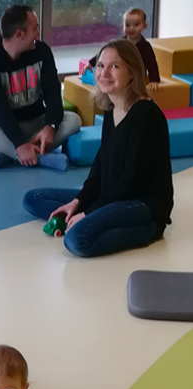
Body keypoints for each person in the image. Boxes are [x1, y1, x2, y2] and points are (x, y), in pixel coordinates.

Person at [23, 39, 173, 258]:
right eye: (101, 65)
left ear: (132, 72)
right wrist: (79, 202)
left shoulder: (145, 115)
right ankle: (91, 218)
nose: (104, 73)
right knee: (33, 199)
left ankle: (148, 229)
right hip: (112, 195)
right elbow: (101, 166)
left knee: (77, 239)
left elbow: (131, 181)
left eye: (115, 66)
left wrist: (88, 212)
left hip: (141, 203)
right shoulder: (112, 110)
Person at [0, 4, 81, 171]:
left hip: (35, 122)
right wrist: (19, 142)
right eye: (34, 29)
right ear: (20, 34)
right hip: (3, 127)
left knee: (73, 119)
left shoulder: (42, 52)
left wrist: (50, 127)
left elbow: (53, 92)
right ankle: (36, 156)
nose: (37, 34)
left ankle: (11, 154)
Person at [84, 8, 160, 91]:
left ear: (144, 26)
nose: (131, 28)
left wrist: (154, 80)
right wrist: (91, 63)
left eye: (136, 25)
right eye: (128, 25)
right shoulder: (120, 44)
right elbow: (105, 54)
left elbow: (152, 64)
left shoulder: (145, 46)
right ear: (122, 27)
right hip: (120, 75)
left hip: (137, 79)